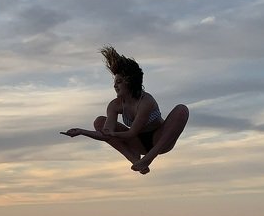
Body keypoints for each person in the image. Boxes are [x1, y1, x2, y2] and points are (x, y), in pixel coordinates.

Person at [61, 46, 189, 173]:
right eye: (114, 82)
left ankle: (148, 158)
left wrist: (112, 134)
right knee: (99, 121)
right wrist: (81, 131)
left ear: (129, 82)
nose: (115, 85)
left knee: (181, 109)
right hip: (138, 144)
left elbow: (131, 133)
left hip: (160, 141)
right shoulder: (114, 105)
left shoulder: (146, 101)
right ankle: (135, 160)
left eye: (119, 82)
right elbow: (106, 134)